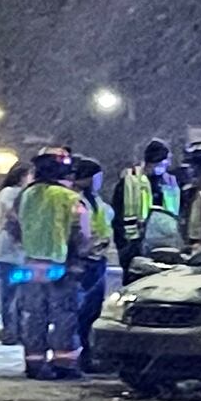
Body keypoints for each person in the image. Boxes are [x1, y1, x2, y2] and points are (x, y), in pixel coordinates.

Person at [16, 149, 89, 380]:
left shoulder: (27, 195)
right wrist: (82, 257)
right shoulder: (68, 197)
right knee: (63, 315)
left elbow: (15, 225)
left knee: (34, 314)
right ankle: (64, 362)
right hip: (60, 264)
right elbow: (83, 232)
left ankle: (34, 362)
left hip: (30, 262)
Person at [111, 139, 181, 281]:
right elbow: (118, 214)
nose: (165, 165)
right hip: (134, 242)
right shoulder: (131, 181)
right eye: (163, 161)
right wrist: (124, 245)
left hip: (163, 244)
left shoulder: (170, 182)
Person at [71, 156, 115, 372]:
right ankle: (81, 355)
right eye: (97, 177)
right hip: (85, 260)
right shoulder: (78, 201)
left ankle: (88, 354)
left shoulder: (95, 201)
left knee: (92, 311)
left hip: (97, 258)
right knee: (83, 311)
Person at [0, 161, 32, 346]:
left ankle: (17, 329)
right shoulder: (11, 193)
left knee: (19, 293)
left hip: (16, 251)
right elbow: (12, 214)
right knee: (11, 293)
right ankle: (11, 331)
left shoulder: (17, 193)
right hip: (11, 250)